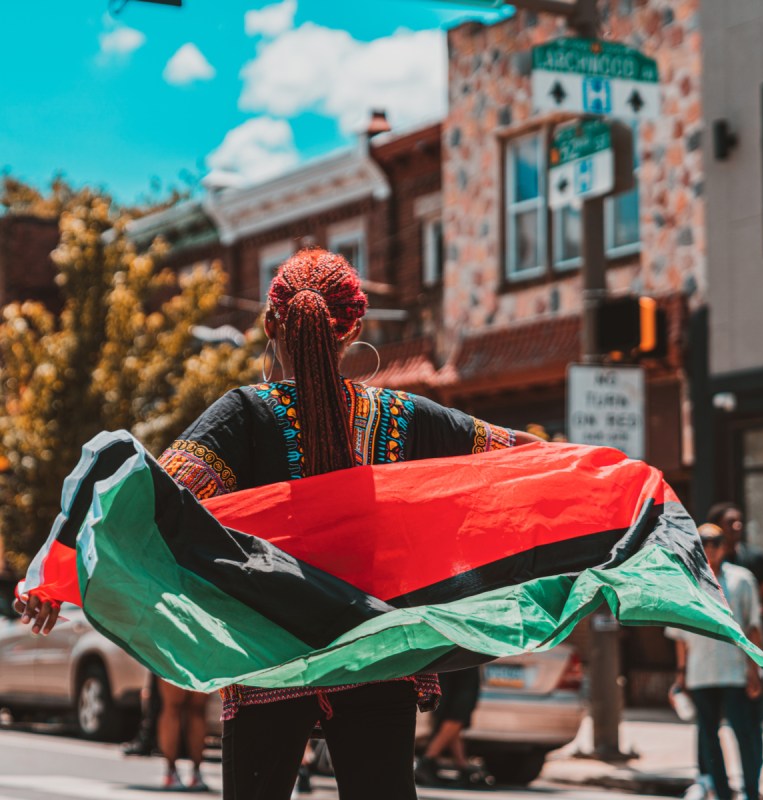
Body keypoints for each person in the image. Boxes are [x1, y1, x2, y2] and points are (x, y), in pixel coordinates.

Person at [15, 249, 537, 800]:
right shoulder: (407, 418)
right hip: (375, 649)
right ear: (353, 327)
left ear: (270, 325)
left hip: (269, 655)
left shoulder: (243, 416)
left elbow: (148, 500)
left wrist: (55, 578)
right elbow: (524, 457)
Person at [667, 523, 763, 800]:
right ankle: (721, 793)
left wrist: (754, 669)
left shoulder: (742, 579)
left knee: (744, 735)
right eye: (703, 542)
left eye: (715, 542)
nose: (709, 548)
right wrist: (681, 675)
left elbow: (753, 626)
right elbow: (680, 636)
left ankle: (751, 792)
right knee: (709, 738)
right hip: (700, 671)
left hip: (735, 670)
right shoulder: (686, 582)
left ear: (724, 546)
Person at [414, 667, 487, 787]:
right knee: (457, 714)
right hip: (463, 659)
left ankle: (462, 765)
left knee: (450, 715)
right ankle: (427, 760)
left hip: (448, 660)